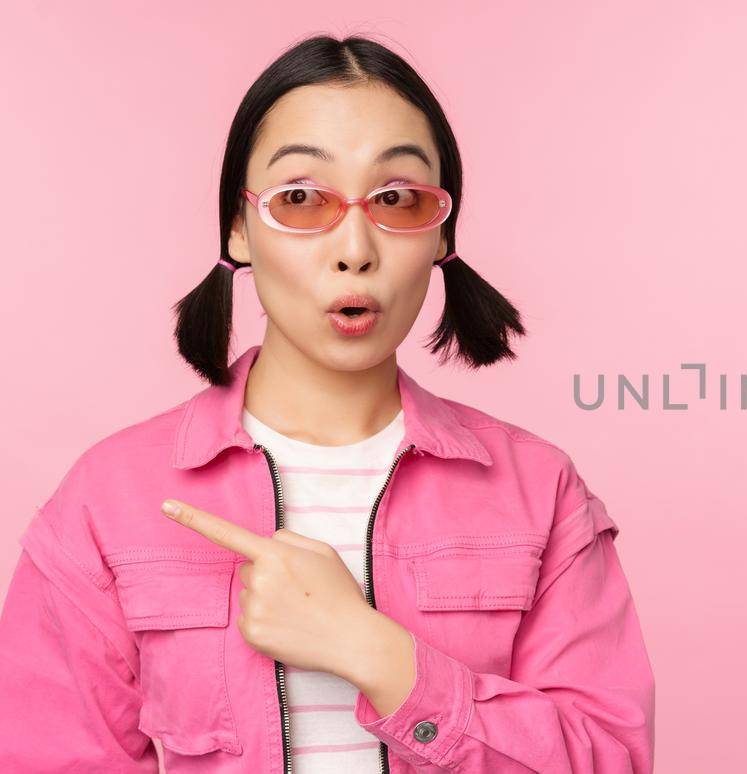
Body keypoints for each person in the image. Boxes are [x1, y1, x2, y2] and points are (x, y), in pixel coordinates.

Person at [0, 34, 655, 773]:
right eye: (302, 199)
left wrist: (372, 650)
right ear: (238, 230)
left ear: (441, 231)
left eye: (397, 199)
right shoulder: (110, 498)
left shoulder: (540, 492)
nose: (354, 247)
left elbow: (610, 760)